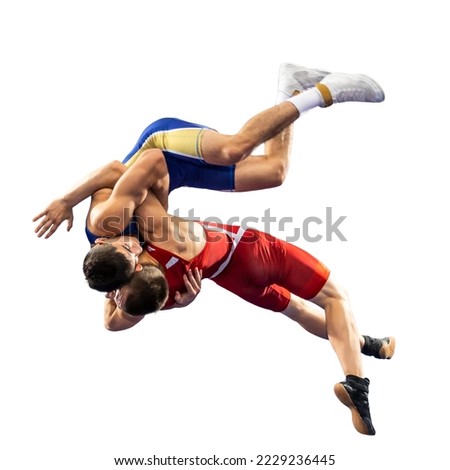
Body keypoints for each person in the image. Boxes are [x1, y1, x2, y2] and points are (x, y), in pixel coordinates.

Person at [81, 148, 394, 437]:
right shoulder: (156, 230)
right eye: (126, 248)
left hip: (232, 280)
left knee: (296, 310)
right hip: (251, 253)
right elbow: (143, 164)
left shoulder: (155, 295)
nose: (127, 242)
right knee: (335, 297)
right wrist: (70, 201)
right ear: (133, 265)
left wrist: (161, 302)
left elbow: (112, 322)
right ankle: (356, 383)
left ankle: (365, 343)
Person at [33, 63, 384, 239]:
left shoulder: (103, 227)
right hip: (177, 175)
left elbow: (113, 170)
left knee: (234, 149)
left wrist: (67, 200)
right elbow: (114, 321)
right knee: (273, 172)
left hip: (160, 147)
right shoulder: (142, 262)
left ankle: (326, 93)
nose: (136, 252)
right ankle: (292, 87)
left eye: (131, 252)